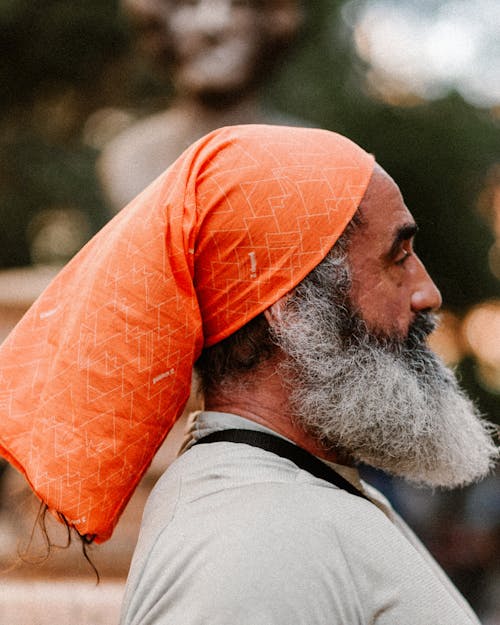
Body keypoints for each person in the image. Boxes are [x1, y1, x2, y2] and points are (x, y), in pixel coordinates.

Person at [0, 125, 496, 622]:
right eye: (398, 257)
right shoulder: (258, 537)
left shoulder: (289, 500)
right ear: (293, 309)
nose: (427, 292)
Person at [99, 0, 304, 212]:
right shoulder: (133, 159)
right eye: (190, 4)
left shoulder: (310, 155)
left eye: (237, 4)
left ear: (267, 19)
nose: (213, 24)